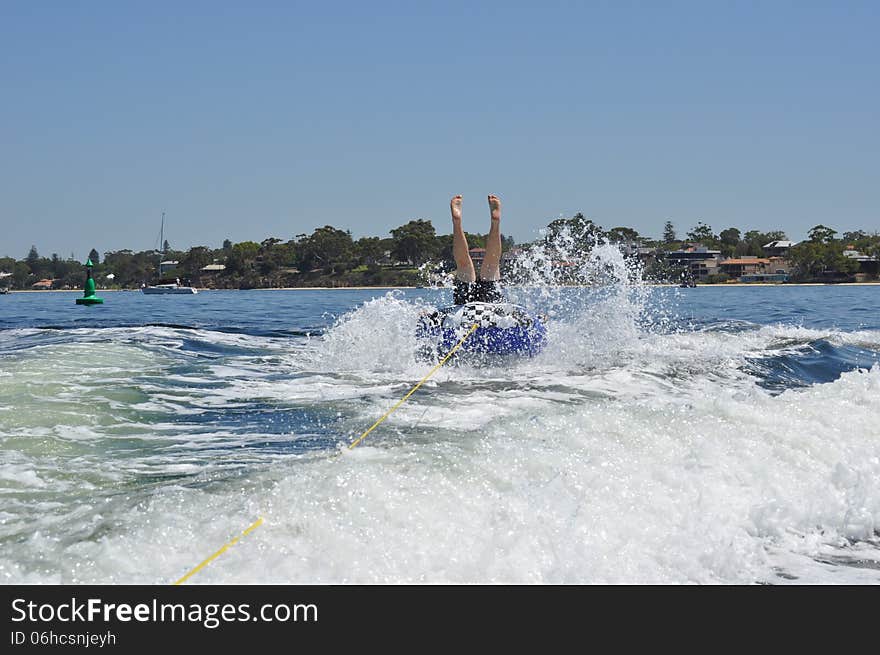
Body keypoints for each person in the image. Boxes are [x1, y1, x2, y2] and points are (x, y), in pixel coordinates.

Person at [450, 194, 505, 305]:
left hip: (464, 309)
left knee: (463, 264)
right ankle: (496, 223)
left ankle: (457, 223)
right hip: (491, 309)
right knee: (492, 264)